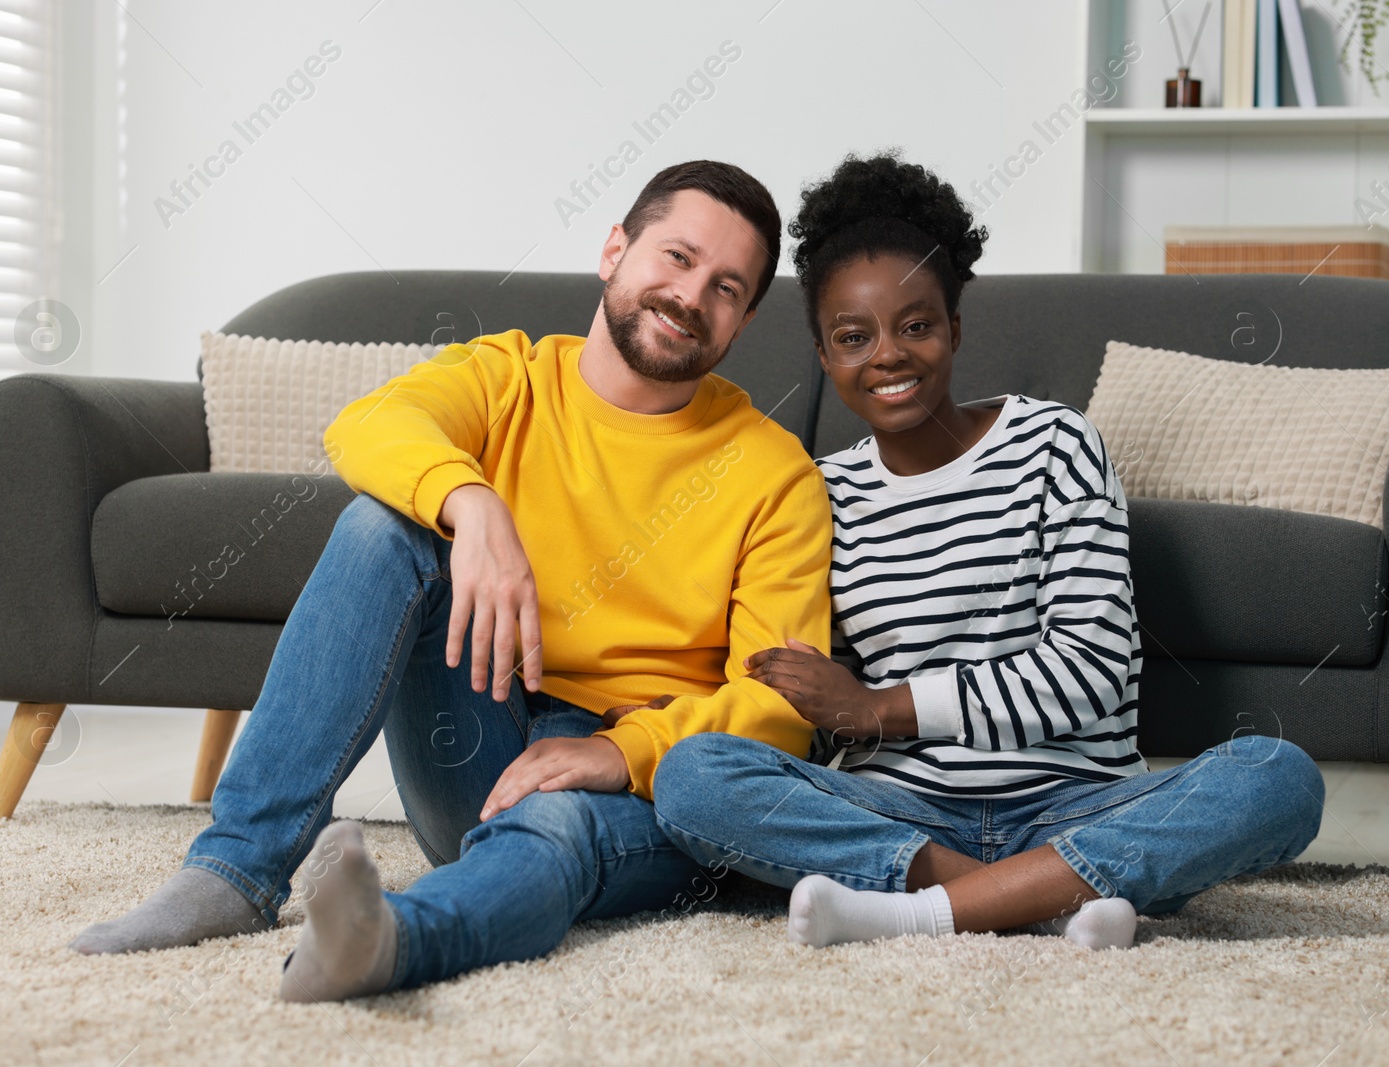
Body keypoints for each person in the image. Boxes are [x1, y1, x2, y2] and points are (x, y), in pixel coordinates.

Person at [69, 160, 833, 1000]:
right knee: (382, 523)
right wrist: (471, 505)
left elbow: (780, 711)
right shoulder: (509, 375)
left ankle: (388, 941)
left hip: (639, 791)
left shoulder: (775, 472)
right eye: (677, 257)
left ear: (747, 316)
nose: (692, 296)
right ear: (615, 249)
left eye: (727, 286)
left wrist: (620, 752)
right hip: (478, 742)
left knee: (557, 823)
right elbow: (368, 424)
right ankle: (234, 871)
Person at [651, 152, 1325, 952]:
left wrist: (879, 705)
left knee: (1278, 778)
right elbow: (810, 699)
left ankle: (920, 910)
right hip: (901, 811)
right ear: (826, 357)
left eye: (916, 325)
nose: (888, 355)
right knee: (693, 776)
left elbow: (1094, 668)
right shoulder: (814, 491)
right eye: (853, 337)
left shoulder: (1055, 444)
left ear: (956, 328)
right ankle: (1047, 895)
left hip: (1077, 803)